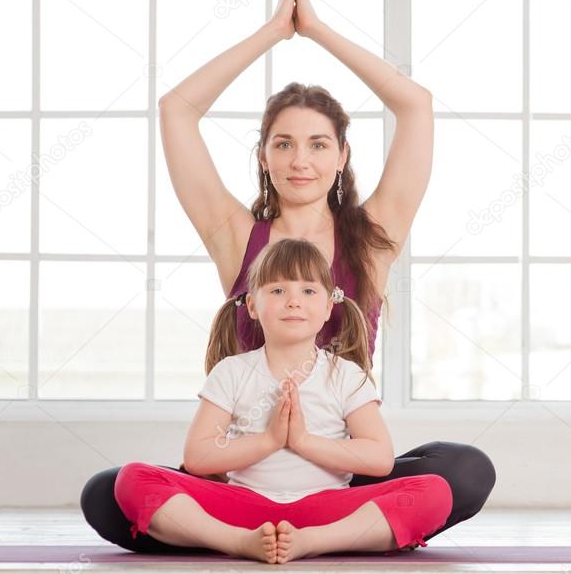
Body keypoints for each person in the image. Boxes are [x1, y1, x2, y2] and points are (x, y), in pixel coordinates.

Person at [81, 0, 495, 553]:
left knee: (465, 470)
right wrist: (274, 32)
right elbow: (178, 109)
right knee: (106, 492)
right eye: (284, 143)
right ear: (264, 156)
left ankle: (293, 531)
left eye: (319, 144)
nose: (301, 160)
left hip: (338, 470)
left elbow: (416, 106)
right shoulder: (236, 235)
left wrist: (318, 31)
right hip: (249, 468)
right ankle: (289, 531)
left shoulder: (372, 235)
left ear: (342, 156)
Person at [114, 238, 452, 563]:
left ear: (327, 306)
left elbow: (379, 459)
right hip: (245, 506)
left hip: (325, 509)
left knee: (435, 492)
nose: (293, 301)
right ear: (252, 306)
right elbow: (199, 457)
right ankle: (238, 542)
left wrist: (302, 441)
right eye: (277, 290)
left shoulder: (346, 375)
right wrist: (270, 440)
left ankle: (313, 543)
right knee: (133, 479)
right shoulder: (231, 371)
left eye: (308, 291)